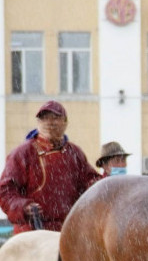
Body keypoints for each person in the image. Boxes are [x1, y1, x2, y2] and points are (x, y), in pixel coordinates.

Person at [0, 100, 101, 233]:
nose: (49, 123)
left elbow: (90, 183)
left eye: (55, 118)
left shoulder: (74, 153)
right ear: (38, 123)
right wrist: (23, 207)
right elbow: (5, 191)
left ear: (65, 122)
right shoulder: (22, 153)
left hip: (69, 232)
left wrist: (108, 180)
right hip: (32, 234)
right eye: (44, 118)